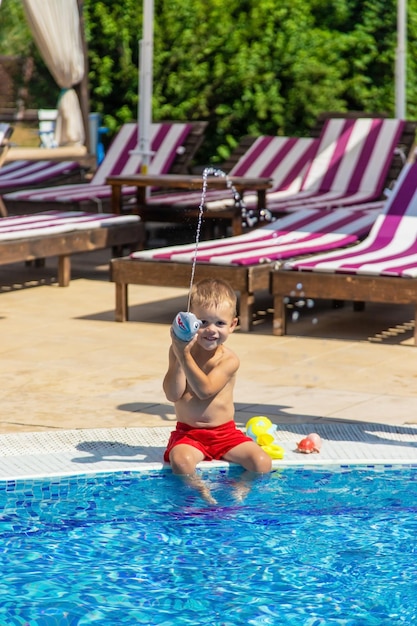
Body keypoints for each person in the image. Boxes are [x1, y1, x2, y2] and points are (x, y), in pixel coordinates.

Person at [163, 278, 272, 504]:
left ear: (233, 325)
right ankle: (203, 493)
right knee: (181, 462)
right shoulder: (180, 351)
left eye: (220, 324)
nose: (211, 330)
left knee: (262, 461)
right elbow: (173, 394)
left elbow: (205, 390)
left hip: (225, 434)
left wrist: (184, 356)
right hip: (189, 434)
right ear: (190, 321)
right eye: (202, 322)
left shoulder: (229, 360)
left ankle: (238, 493)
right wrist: (179, 353)